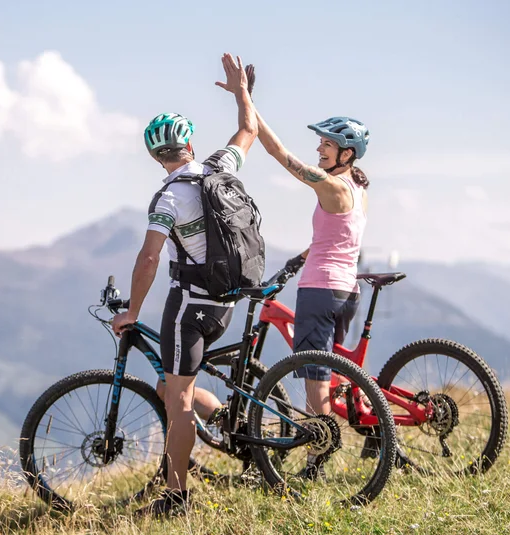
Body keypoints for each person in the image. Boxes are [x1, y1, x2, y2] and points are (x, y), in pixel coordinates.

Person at [110, 53, 258, 517]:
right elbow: (248, 132)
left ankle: (176, 497)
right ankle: (239, 436)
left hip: (189, 306)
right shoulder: (221, 170)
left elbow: (149, 257)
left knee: (178, 400)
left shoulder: (168, 196)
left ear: (156, 155)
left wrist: (131, 312)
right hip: (225, 302)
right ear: (189, 144)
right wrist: (242, 94)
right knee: (169, 384)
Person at [253, 100, 371, 480]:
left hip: (319, 290)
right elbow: (337, 237)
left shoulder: (332, 185)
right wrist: (298, 259)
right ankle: (365, 426)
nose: (319, 149)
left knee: (315, 375)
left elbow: (277, 152)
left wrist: (247, 103)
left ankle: (317, 458)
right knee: (331, 369)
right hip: (346, 291)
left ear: (346, 153)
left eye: (326, 144)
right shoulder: (357, 188)